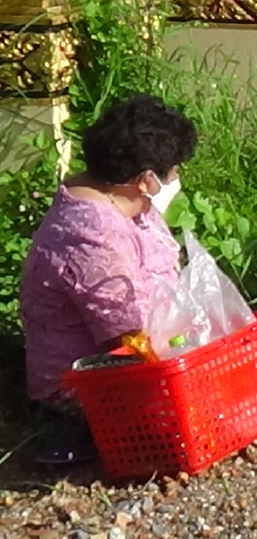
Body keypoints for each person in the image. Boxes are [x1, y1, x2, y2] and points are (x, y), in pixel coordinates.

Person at [21, 94, 196, 463]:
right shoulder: (91, 235)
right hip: (85, 389)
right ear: (147, 179)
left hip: (143, 356)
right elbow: (130, 336)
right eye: (175, 169)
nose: (178, 177)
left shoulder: (127, 203)